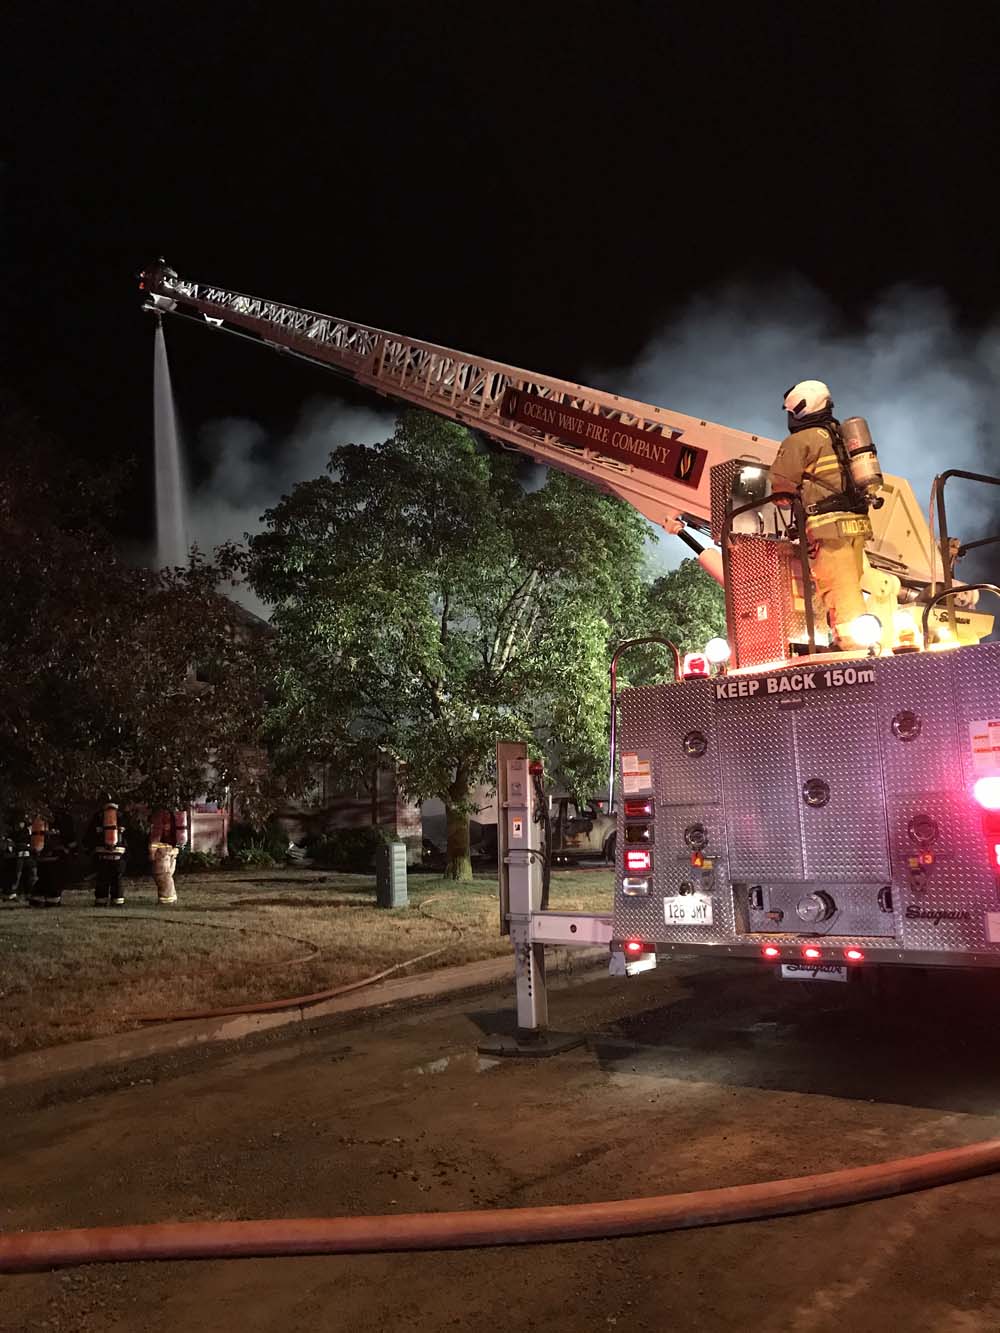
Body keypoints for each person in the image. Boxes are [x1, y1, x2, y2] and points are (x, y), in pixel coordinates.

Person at [770, 380, 899, 650]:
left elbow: (781, 488)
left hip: (828, 527)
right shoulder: (842, 436)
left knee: (839, 589)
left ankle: (852, 648)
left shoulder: (799, 441)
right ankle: (853, 640)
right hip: (856, 525)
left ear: (799, 410)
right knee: (852, 582)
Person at [84, 800, 128, 907]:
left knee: (102, 879)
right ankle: (118, 901)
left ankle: (101, 901)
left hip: (102, 855)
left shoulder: (98, 816)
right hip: (118, 855)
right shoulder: (122, 816)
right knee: (117, 880)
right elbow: (130, 835)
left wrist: (89, 849)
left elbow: (89, 836)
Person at [148, 807, 183, 905]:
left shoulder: (159, 816)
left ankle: (167, 900)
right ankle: (171, 898)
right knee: (167, 875)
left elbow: (155, 836)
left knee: (162, 876)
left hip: (162, 851)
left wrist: (152, 852)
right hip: (172, 850)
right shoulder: (171, 815)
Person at [1, 810, 36, 904]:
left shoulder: (27, 832)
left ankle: (31, 892)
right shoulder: (15, 833)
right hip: (20, 857)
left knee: (32, 874)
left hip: (28, 856)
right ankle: (12, 893)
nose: (20, 824)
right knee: (17, 875)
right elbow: (13, 843)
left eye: (21, 822)